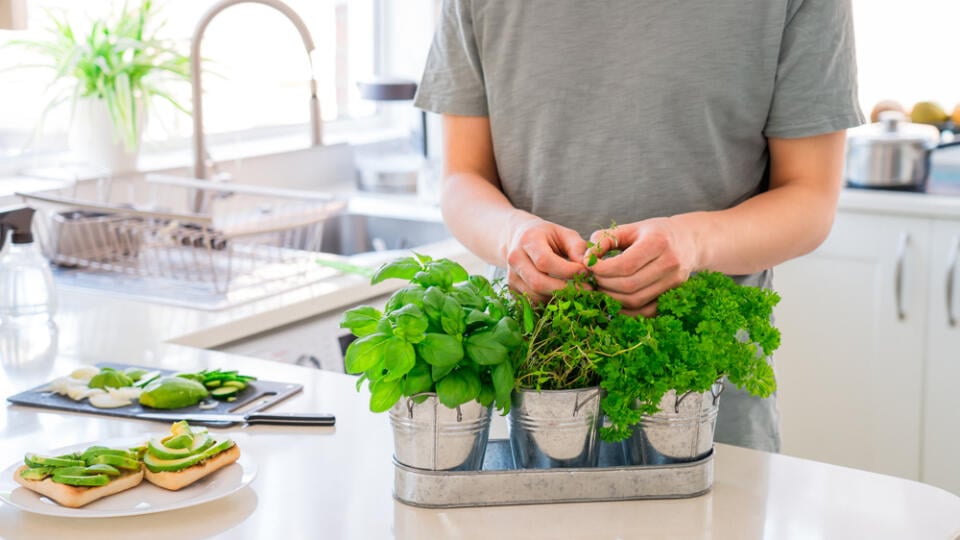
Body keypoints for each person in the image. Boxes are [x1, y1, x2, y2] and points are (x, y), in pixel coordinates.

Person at [414, 0, 864, 452]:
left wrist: (692, 243)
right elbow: (461, 177)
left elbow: (810, 195)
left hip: (702, 401)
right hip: (528, 385)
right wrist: (512, 234)